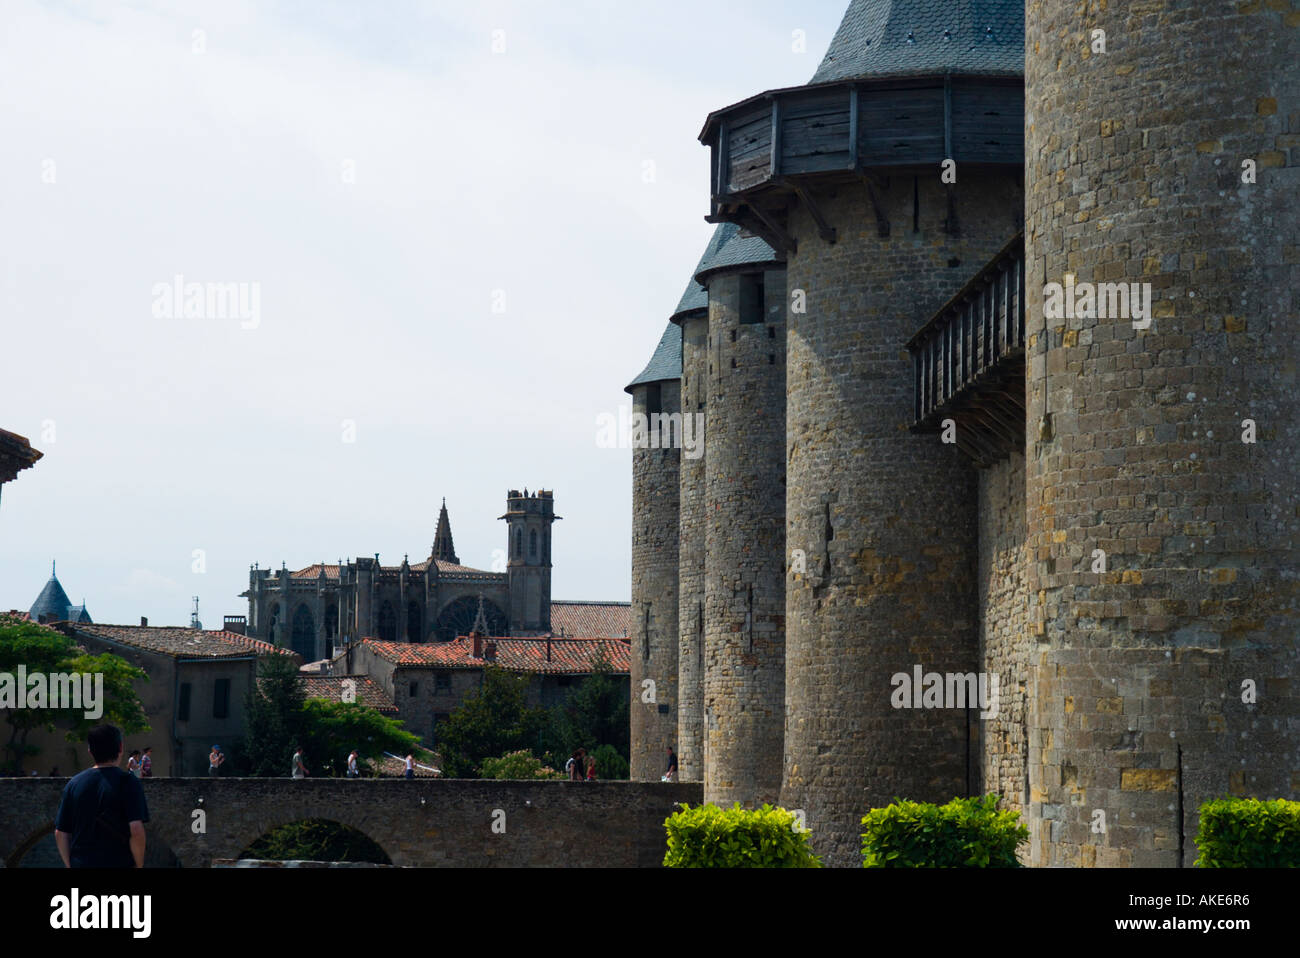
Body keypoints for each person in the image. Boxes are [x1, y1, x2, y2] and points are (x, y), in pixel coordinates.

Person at [54, 724, 149, 869]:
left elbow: (61, 833)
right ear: (121, 748)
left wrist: (70, 865)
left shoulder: (74, 784)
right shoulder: (129, 782)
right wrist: (139, 865)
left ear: (90, 751)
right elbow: (136, 829)